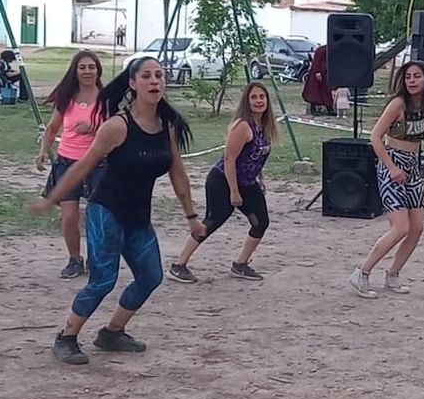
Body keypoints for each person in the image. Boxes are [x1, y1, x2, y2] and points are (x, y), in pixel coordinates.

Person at [29, 57, 205, 365]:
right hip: (106, 211)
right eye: (147, 76)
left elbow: (178, 172)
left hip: (138, 216)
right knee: (103, 280)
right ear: (133, 83)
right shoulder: (117, 126)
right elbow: (82, 167)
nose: (155, 81)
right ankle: (66, 337)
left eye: (159, 76)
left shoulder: (167, 126)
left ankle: (112, 332)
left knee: (150, 276)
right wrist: (51, 198)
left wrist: (191, 216)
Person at [349, 60, 424, 298]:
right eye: (408, 77)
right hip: (392, 164)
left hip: (414, 167)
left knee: (416, 228)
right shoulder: (398, 104)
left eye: (417, 76)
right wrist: (392, 167)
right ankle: (362, 272)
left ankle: (393, 274)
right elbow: (375, 137)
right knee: (400, 227)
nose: (412, 81)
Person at [168, 82, 278, 284]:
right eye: (254, 97)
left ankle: (241, 264)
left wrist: (259, 178)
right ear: (247, 101)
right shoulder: (242, 126)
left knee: (261, 222)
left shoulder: (265, 126)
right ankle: (179, 264)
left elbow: (256, 156)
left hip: (247, 182)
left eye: (262, 97)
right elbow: (229, 159)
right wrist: (234, 192)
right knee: (213, 221)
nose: (259, 101)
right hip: (223, 180)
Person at [36, 50, 106, 279]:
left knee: (97, 217)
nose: (87, 71)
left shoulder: (107, 98)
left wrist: (94, 129)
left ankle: (97, 259)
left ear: (98, 70)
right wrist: (43, 152)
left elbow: (119, 127)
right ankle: (75, 259)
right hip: (67, 161)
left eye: (91, 67)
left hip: (98, 163)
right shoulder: (66, 97)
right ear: (75, 71)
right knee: (69, 216)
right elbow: (52, 127)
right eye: (82, 67)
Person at [302, 43, 333, 115]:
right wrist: (317, 72)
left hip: (325, 73)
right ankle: (313, 110)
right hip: (318, 74)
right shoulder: (321, 50)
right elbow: (317, 61)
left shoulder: (328, 49)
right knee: (315, 92)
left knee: (326, 92)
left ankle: (329, 109)